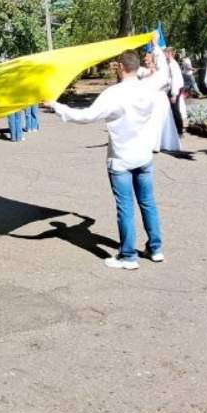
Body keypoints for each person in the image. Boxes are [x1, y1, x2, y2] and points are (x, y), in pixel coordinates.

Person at [50, 48, 167, 269]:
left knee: (125, 207)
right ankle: (156, 248)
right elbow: (163, 73)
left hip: (121, 158)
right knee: (148, 203)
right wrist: (156, 46)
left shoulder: (114, 94)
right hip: (144, 156)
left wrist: (56, 106)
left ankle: (128, 256)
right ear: (136, 66)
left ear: (121, 67)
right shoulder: (150, 87)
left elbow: (85, 116)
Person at [140, 51, 181, 154]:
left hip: (159, 100)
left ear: (154, 62)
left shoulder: (161, 74)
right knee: (149, 122)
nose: (146, 63)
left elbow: (165, 83)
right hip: (149, 100)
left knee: (158, 121)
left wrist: (174, 93)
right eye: (145, 61)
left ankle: (158, 144)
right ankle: (149, 143)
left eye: (148, 61)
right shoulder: (144, 73)